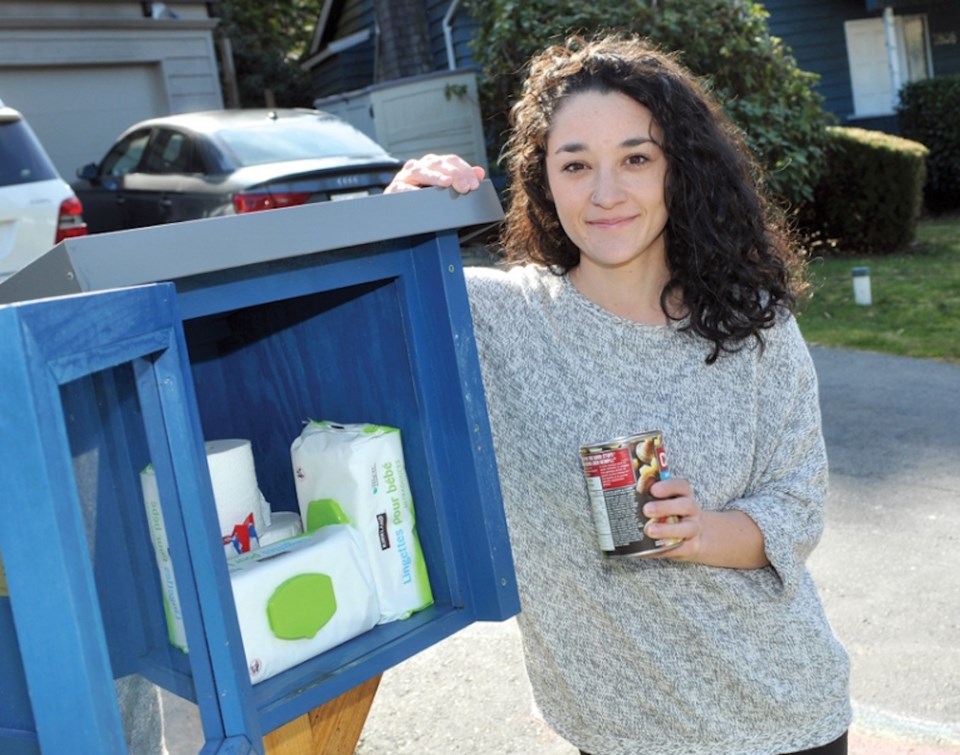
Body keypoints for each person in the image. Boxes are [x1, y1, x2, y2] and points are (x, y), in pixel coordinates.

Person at [386, 34, 850, 755]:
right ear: (545, 180)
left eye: (636, 158)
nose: (606, 193)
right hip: (617, 731)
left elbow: (798, 505)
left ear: (679, 170)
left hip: (782, 718)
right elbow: (361, 331)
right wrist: (397, 218)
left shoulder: (754, 323)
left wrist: (700, 531)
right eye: (576, 165)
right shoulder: (493, 321)